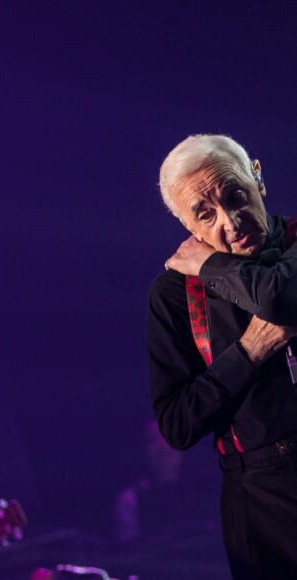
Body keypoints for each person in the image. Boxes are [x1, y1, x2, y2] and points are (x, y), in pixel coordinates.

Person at [148, 134, 297, 579]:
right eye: (205, 214)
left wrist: (210, 265)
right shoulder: (174, 295)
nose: (230, 223)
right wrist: (249, 351)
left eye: (235, 196)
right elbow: (176, 424)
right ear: (187, 227)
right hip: (258, 497)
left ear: (258, 176)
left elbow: (283, 299)